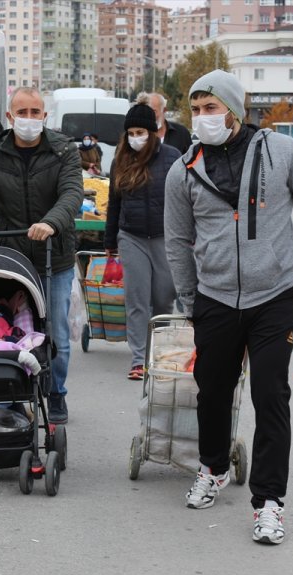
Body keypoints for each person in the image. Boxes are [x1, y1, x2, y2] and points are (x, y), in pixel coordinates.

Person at [164, 69, 293, 545]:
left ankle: (268, 502)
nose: (204, 118)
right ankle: (214, 468)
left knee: (270, 395)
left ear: (235, 110)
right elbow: (178, 242)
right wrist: (190, 301)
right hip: (216, 298)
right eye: (196, 110)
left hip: (274, 297)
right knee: (213, 391)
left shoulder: (282, 152)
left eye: (212, 108)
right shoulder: (183, 170)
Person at [0, 86, 82, 424]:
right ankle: (13, 392)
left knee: (57, 335)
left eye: (35, 113)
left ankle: (56, 394)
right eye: (22, 113)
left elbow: (71, 193)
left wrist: (51, 222)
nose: (29, 119)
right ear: (10, 117)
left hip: (55, 254)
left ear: (44, 116)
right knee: (11, 332)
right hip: (12, 258)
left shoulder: (64, 151)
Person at [104, 102, 180, 380]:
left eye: (141, 131)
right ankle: (139, 359)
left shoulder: (173, 158)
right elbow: (114, 203)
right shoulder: (120, 161)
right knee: (136, 299)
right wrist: (110, 240)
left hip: (165, 237)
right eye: (131, 132)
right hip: (131, 237)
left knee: (163, 299)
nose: (135, 137)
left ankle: (160, 354)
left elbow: (185, 201)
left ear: (152, 132)